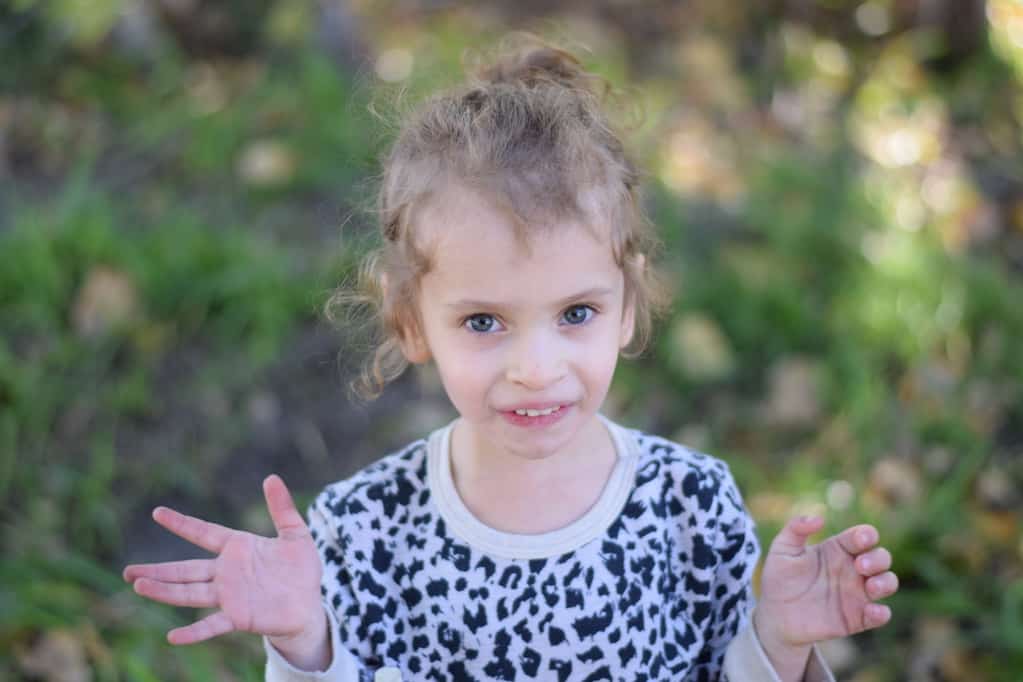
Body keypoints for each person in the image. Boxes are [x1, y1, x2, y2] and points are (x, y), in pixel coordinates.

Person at [123, 32, 899, 681]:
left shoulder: (688, 505)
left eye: (576, 314)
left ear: (626, 309)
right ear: (410, 323)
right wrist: (304, 646)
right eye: (485, 321)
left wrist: (779, 641)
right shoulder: (363, 530)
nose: (535, 366)